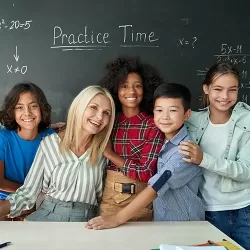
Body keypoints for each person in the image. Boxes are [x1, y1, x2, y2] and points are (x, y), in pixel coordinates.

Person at [86, 82, 204, 230]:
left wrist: (116, 218)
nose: (165, 117)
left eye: (173, 110)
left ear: (187, 114)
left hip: (184, 226)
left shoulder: (186, 151)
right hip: (162, 223)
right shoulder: (162, 143)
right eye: (159, 110)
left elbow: (156, 186)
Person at [0, 85, 115, 222]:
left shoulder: (104, 151)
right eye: (93, 107)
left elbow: (105, 197)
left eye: (106, 113)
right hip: (49, 216)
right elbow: (28, 192)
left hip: (88, 222)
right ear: (79, 107)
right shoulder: (49, 143)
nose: (99, 117)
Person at [178, 62, 250, 249]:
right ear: (206, 89)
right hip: (207, 211)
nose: (225, 96)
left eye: (232, 90)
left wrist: (204, 159)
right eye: (218, 89)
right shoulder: (191, 120)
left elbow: (246, 171)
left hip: (244, 210)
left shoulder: (247, 122)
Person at [99, 56, 164, 221]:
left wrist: (111, 155)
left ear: (146, 89)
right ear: (115, 89)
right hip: (109, 198)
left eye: (138, 86)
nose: (131, 92)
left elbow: (146, 173)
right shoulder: (108, 120)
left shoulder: (153, 125)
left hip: (141, 200)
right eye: (124, 86)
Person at [0, 82, 54, 220]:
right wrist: (29, 193)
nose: (27, 113)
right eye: (19, 107)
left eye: (33, 106)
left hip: (39, 204)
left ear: (42, 109)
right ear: (11, 111)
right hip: (5, 201)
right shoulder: (3, 138)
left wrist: (34, 199)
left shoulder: (52, 137)